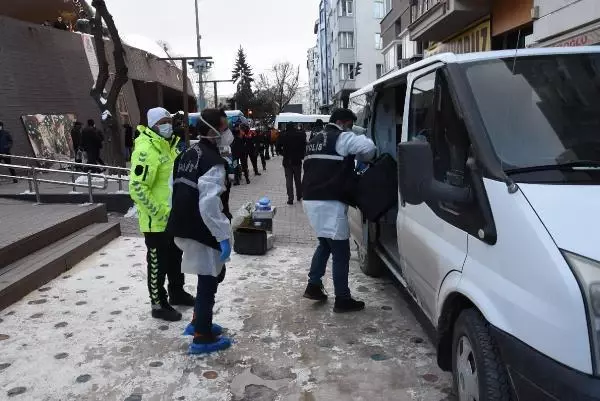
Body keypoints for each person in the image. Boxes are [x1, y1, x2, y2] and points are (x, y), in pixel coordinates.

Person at [167, 108, 233, 354]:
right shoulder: (212, 162)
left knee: (206, 276)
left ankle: (198, 321)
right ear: (212, 129)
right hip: (201, 228)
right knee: (209, 279)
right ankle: (202, 336)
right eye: (225, 127)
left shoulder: (186, 154)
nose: (228, 132)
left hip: (182, 224)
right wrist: (222, 235)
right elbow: (208, 204)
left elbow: (175, 190)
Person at [302, 108, 376, 313]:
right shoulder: (341, 138)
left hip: (310, 200)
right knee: (341, 252)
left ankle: (313, 285)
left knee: (325, 243)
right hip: (330, 201)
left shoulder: (315, 138)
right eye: (350, 125)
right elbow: (369, 149)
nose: (351, 128)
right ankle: (342, 299)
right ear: (343, 123)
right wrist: (360, 139)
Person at [129, 107, 195, 322]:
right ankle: (158, 303)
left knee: (176, 257)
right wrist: (160, 212)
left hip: (172, 217)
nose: (168, 125)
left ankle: (177, 291)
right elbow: (137, 187)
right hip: (156, 221)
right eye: (164, 121)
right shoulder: (146, 150)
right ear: (153, 125)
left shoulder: (167, 146)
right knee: (158, 263)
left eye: (169, 120)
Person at [278, 123, 306, 205]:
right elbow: (304, 146)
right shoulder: (300, 134)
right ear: (294, 126)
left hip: (287, 161)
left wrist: (284, 154)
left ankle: (290, 198)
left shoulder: (283, 135)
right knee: (298, 179)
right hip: (297, 160)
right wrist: (301, 155)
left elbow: (278, 147)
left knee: (288, 180)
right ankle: (299, 196)